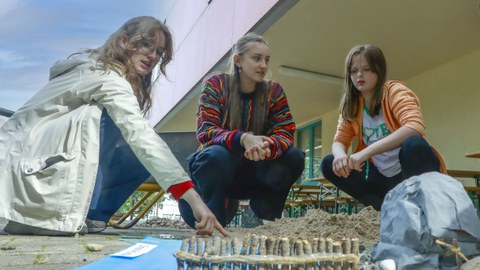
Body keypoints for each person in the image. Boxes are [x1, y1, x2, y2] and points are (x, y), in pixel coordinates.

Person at [0, 16, 227, 237]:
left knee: (135, 154)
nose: (153, 56)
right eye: (146, 45)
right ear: (123, 41)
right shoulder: (105, 75)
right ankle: (53, 214)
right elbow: (139, 134)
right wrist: (193, 198)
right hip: (21, 178)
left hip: (28, 165)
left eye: (159, 52)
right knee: (120, 127)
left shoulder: (99, 71)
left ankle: (92, 214)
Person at [178, 33, 305, 229]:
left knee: (295, 156)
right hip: (213, 174)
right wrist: (243, 139)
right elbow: (206, 130)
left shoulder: (275, 92)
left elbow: (286, 131)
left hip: (254, 172)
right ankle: (215, 223)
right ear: (238, 60)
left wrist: (266, 146)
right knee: (217, 154)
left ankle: (268, 216)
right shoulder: (216, 84)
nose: (263, 65)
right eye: (257, 58)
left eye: (266, 60)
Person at [321, 44, 446, 211]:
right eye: (354, 70)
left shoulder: (394, 91)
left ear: (378, 71)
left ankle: (423, 207)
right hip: (381, 180)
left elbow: (415, 126)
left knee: (414, 145)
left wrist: (366, 152)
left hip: (407, 173)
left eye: (366, 69)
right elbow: (340, 140)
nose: (359, 74)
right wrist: (340, 156)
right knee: (329, 163)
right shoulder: (352, 105)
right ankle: (384, 209)